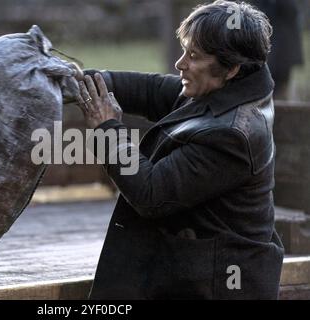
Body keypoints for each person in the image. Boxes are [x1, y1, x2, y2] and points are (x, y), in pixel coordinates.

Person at [74, 0, 284, 299]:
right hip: (192, 273)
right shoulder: (220, 90)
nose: (180, 63)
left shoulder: (233, 135)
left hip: (217, 287)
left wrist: (107, 129)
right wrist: (81, 81)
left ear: (231, 68)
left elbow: (150, 193)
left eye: (193, 55)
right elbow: (151, 90)